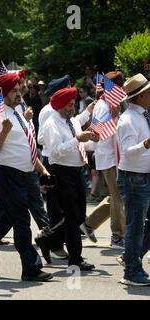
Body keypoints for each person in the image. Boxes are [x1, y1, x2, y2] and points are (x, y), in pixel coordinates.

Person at [0, 73, 53, 281]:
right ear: (2, 93)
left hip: (25, 175)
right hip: (7, 174)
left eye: (19, 89)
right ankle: (31, 267)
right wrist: (4, 131)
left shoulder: (17, 112)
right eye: (14, 90)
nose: (19, 93)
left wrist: (41, 169)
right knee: (22, 220)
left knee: (6, 220)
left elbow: (26, 146)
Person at [39, 87, 98, 271]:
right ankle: (75, 259)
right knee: (72, 217)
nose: (72, 108)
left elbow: (80, 143)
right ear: (60, 106)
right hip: (61, 172)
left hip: (76, 170)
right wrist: (78, 139)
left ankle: (48, 238)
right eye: (69, 105)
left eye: (73, 104)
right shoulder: (52, 124)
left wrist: (91, 138)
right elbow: (55, 152)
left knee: (79, 214)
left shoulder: (72, 121)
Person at [80, 71, 125, 249]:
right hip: (109, 157)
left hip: (115, 156)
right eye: (119, 87)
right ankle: (117, 237)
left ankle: (89, 224)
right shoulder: (102, 106)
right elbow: (96, 133)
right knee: (118, 198)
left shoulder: (111, 103)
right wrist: (113, 116)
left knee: (116, 196)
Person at [116, 73, 150, 286]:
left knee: (140, 225)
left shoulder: (142, 115)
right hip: (134, 178)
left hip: (142, 176)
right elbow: (127, 152)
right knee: (135, 226)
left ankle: (130, 259)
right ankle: (131, 270)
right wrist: (146, 144)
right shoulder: (128, 119)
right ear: (142, 96)